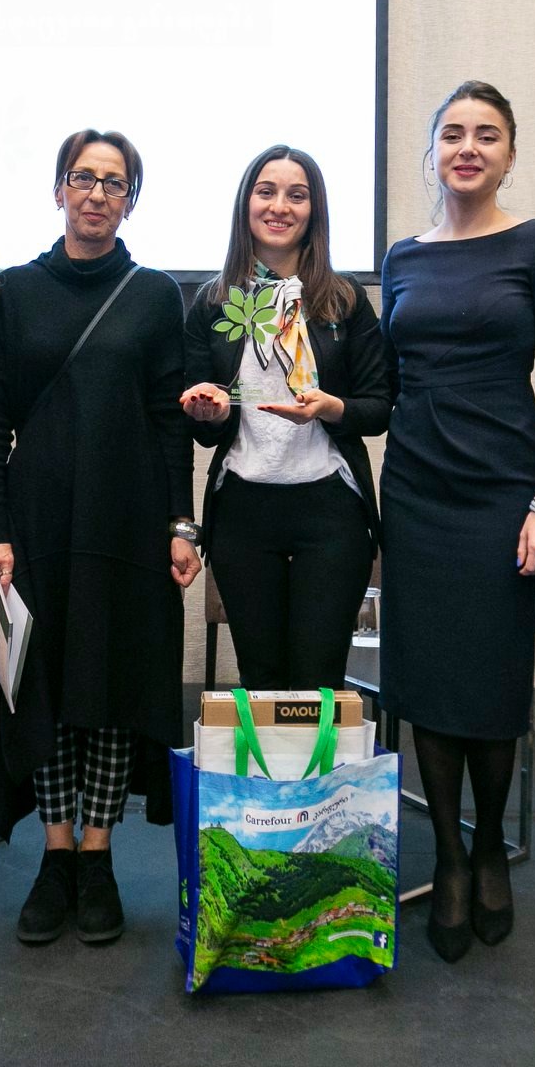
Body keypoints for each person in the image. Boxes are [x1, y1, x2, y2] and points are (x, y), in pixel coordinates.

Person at [0, 128, 198, 948]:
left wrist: (181, 525)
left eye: (114, 182)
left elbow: (170, 421)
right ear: (58, 189)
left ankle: (97, 854)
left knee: (110, 690)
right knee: (44, 690)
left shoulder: (154, 295)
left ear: (130, 200)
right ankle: (55, 851)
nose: (97, 193)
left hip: (127, 526)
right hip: (35, 527)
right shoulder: (16, 291)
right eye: (83, 177)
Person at [378, 80, 535, 962]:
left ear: (509, 154)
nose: (468, 147)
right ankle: (450, 857)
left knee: (492, 684)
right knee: (426, 684)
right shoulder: (402, 257)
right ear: (430, 153)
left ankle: (490, 840)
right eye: (452, 133)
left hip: (504, 492)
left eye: (486, 134)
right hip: (415, 493)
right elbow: (385, 385)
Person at [180, 145, 389, 691]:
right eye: (266, 192)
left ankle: (318, 757)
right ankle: (266, 757)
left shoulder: (343, 299)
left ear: (314, 210)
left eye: (297, 195)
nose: (280, 206)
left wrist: (331, 408)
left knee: (319, 678)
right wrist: (210, 411)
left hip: (331, 509)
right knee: (261, 678)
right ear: (245, 203)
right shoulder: (213, 302)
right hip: (243, 509)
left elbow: (378, 406)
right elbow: (203, 428)